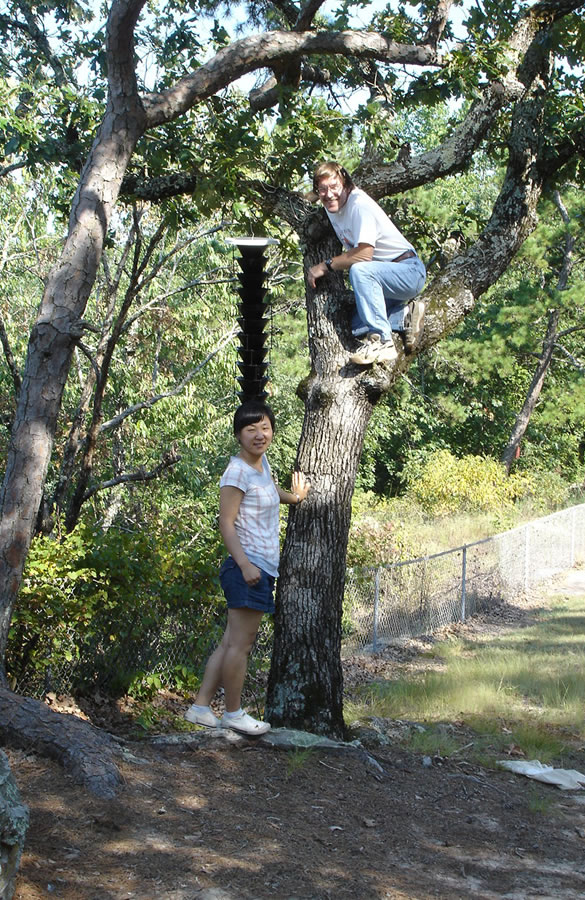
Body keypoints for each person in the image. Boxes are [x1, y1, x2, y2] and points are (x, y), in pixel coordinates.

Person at [185, 400, 310, 736]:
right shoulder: (237, 471)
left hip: (258, 566)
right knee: (242, 645)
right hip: (248, 567)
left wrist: (294, 498)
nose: (259, 434)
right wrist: (244, 564)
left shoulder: (261, 464)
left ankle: (200, 708)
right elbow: (226, 523)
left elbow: (267, 494)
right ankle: (233, 713)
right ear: (239, 435)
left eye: (265, 427)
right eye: (251, 429)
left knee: (230, 643)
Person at [307, 161, 427, 366]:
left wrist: (325, 265)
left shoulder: (358, 205)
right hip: (382, 284)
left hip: (407, 271)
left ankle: (383, 342)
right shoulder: (328, 202)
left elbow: (364, 254)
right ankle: (404, 315)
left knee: (359, 270)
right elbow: (311, 196)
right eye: (322, 190)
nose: (329, 194)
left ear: (344, 183)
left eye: (334, 187)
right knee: (351, 327)